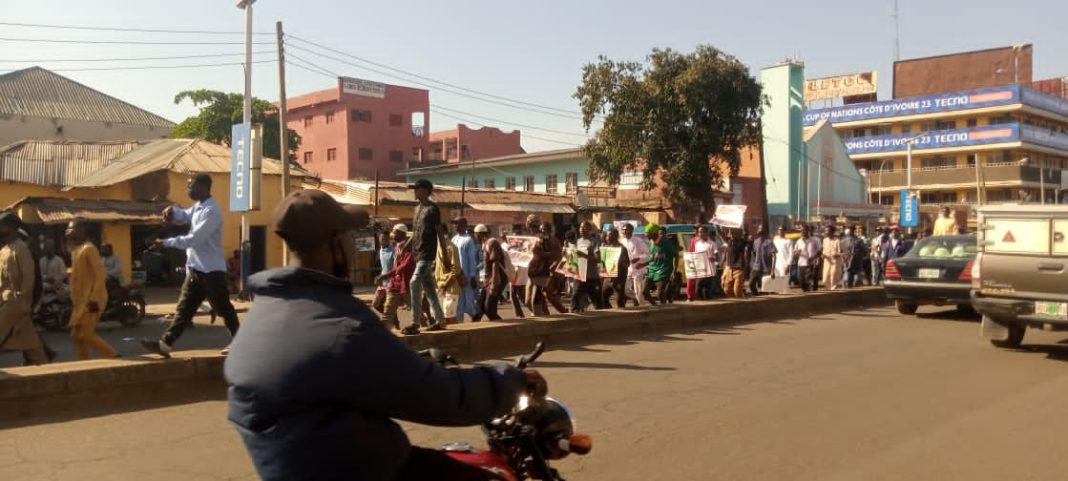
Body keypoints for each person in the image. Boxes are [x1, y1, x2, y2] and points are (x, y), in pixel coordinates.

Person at [225, 189, 542, 481]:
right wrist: (509, 382)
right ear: (335, 243)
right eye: (348, 234)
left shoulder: (260, 317)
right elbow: (437, 396)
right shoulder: (341, 325)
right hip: (363, 467)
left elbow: (330, 370)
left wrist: (404, 358)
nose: (352, 243)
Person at [141, 173, 241, 358]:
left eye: (190, 186)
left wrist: (165, 243)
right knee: (184, 309)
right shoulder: (198, 208)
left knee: (223, 308)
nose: (188, 190)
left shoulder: (212, 212)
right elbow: (184, 215)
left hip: (212, 270)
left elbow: (194, 239)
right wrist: (172, 211)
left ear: (203, 187)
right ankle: (165, 344)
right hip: (195, 269)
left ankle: (240, 343)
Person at [0, 212, 50, 365]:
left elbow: (29, 276)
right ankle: (43, 365)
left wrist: (23, 299)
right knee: (30, 343)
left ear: (9, 228)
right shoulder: (4, 250)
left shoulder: (21, 248)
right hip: (6, 300)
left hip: (16, 302)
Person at [65, 219, 118, 360]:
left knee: (86, 334)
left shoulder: (89, 249)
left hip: (92, 299)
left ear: (82, 230)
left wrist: (94, 299)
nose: (68, 231)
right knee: (76, 335)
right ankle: (85, 363)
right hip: (80, 301)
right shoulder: (76, 250)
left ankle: (113, 356)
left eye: (71, 228)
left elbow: (100, 275)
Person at [408, 179, 446, 332]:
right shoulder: (417, 209)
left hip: (427, 254)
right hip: (417, 253)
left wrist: (445, 255)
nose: (415, 191)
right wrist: (406, 244)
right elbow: (416, 231)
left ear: (426, 190)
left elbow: (440, 232)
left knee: (414, 282)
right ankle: (440, 320)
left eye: (417, 188)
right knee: (429, 289)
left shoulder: (433, 209)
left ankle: (415, 322)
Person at [375, 225, 415, 332]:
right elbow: (396, 267)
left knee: (417, 314)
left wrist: (386, 275)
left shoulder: (409, 248)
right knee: (387, 313)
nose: (392, 235)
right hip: (394, 285)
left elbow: (405, 266)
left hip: (406, 286)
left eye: (395, 232)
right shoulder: (397, 246)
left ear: (402, 234)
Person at [472, 224, 508, 321]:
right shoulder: (486, 244)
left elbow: (495, 261)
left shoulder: (492, 243)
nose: (475, 237)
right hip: (489, 280)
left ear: (479, 234)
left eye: (475, 235)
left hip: (496, 279)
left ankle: (504, 330)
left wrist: (495, 281)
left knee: (489, 309)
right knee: (480, 308)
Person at [450, 217, 480, 323]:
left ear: (464, 224)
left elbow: (472, 259)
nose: (455, 226)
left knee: (468, 304)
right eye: (454, 224)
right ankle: (460, 324)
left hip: (466, 276)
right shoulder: (454, 239)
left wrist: (472, 276)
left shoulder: (468, 240)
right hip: (457, 276)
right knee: (458, 304)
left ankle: (476, 315)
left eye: (457, 224)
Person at [571, 221, 604, 312]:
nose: (582, 229)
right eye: (581, 227)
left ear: (589, 229)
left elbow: (598, 259)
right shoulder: (577, 242)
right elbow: (573, 257)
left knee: (597, 302)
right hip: (579, 276)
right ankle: (573, 317)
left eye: (584, 227)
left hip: (591, 276)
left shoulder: (594, 242)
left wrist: (584, 255)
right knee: (575, 297)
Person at [435, 224, 465, 325]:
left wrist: (445, 285)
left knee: (449, 317)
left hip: (450, 286)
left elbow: (455, 269)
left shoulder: (451, 247)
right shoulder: (436, 247)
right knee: (441, 316)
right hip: (439, 286)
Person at [642, 224, 677, 305]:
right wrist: (643, 264)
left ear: (653, 233)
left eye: (647, 233)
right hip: (651, 270)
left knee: (660, 294)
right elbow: (652, 256)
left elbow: (676, 255)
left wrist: (674, 271)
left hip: (663, 270)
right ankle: (655, 306)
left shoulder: (666, 242)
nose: (645, 235)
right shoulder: (651, 242)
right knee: (644, 291)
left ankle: (664, 309)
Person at [524, 215, 551, 317]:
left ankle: (541, 321)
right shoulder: (528, 238)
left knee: (535, 301)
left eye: (534, 225)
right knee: (527, 301)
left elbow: (550, 254)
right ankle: (543, 316)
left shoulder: (543, 238)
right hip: (531, 272)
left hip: (541, 272)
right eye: (530, 224)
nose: (532, 227)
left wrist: (539, 252)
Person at [540, 222, 568, 314]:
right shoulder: (542, 240)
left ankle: (563, 311)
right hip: (543, 271)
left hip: (552, 272)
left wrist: (552, 268)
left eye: (543, 229)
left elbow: (559, 257)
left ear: (549, 230)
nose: (541, 231)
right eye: (541, 230)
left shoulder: (554, 241)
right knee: (543, 294)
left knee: (547, 294)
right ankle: (546, 312)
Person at [599, 227, 630, 308]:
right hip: (608, 278)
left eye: (608, 236)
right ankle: (611, 313)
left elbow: (627, 263)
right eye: (606, 236)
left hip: (618, 279)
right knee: (603, 297)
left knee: (619, 302)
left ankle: (622, 317)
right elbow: (601, 262)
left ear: (614, 236)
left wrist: (619, 262)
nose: (606, 238)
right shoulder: (606, 248)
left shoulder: (622, 248)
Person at [620, 223, 650, 306]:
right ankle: (636, 300)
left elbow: (647, 254)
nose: (624, 231)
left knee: (638, 292)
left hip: (638, 269)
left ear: (631, 230)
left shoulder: (638, 241)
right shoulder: (622, 242)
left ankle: (643, 308)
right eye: (623, 230)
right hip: (628, 269)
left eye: (626, 229)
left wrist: (638, 259)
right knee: (626, 290)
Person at [687, 225, 717, 301]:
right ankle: (704, 305)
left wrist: (713, 258)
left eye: (702, 232)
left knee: (706, 290)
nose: (700, 234)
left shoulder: (712, 244)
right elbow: (696, 256)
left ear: (707, 233)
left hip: (710, 270)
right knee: (698, 290)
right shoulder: (697, 244)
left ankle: (708, 306)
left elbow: (717, 257)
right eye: (699, 232)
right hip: (700, 270)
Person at [748, 225, 777, 295]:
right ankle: (756, 296)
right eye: (759, 229)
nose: (760, 230)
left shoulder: (769, 242)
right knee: (751, 284)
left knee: (765, 288)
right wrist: (752, 264)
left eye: (762, 229)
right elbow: (754, 254)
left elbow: (774, 256)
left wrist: (772, 270)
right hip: (756, 267)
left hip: (766, 268)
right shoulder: (756, 242)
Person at [721, 228, 749, 298]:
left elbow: (746, 233)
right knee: (726, 290)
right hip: (729, 269)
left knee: (737, 291)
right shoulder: (729, 241)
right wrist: (717, 225)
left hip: (739, 270)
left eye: (735, 233)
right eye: (732, 233)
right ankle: (734, 305)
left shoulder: (743, 242)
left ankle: (741, 305)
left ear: (740, 234)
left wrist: (745, 225)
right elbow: (720, 234)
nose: (733, 234)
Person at [794, 226, 820, 292]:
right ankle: (806, 292)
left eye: (804, 230)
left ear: (808, 231)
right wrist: (797, 252)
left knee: (810, 282)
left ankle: (811, 296)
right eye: (801, 231)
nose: (802, 232)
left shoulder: (815, 240)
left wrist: (813, 258)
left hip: (811, 264)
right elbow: (795, 252)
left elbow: (819, 251)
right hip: (801, 264)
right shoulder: (798, 241)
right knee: (801, 281)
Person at [820, 225, 844, 290]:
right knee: (825, 279)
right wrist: (822, 255)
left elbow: (842, 252)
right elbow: (823, 251)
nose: (826, 232)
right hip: (827, 262)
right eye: (825, 231)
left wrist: (837, 255)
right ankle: (829, 290)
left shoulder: (837, 241)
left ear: (832, 232)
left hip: (835, 263)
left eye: (827, 231)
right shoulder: (824, 240)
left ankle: (833, 293)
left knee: (833, 279)